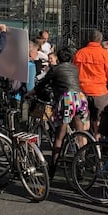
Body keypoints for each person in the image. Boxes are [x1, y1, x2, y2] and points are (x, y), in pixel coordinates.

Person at [34, 47, 89, 178]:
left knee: (59, 136)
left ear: (58, 58)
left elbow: (43, 83)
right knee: (80, 133)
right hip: (79, 98)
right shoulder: (75, 68)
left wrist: (34, 91)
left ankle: (52, 168)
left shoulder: (55, 69)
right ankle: (81, 163)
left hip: (67, 99)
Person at [74, 30, 108, 138]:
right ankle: (97, 147)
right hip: (99, 92)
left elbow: (74, 72)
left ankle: (82, 150)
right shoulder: (104, 54)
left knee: (83, 121)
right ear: (100, 40)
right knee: (99, 121)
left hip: (82, 91)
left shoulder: (80, 53)